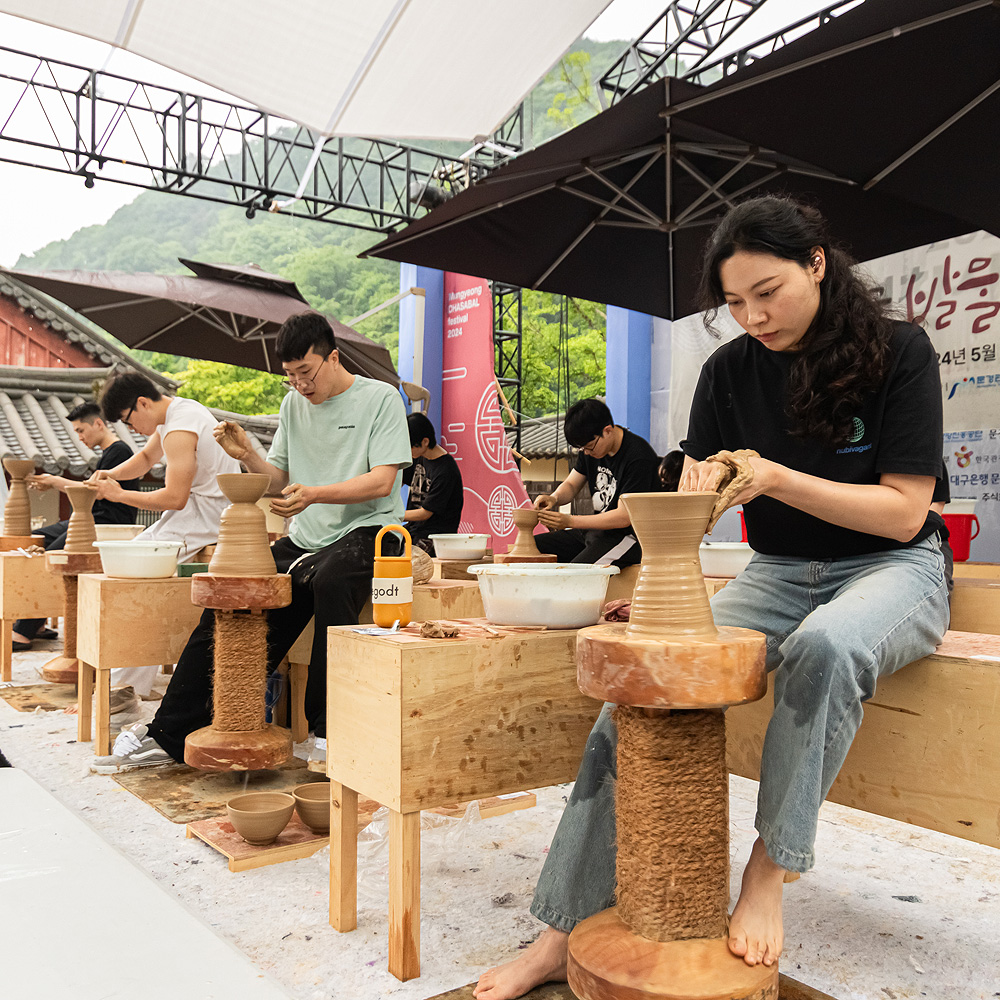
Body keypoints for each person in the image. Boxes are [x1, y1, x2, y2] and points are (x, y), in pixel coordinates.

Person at [473, 195, 950, 1000]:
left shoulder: (899, 351)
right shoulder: (729, 371)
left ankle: (770, 869)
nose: (753, 316)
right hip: (776, 571)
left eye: (768, 292)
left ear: (817, 265)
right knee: (638, 684)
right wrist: (688, 503)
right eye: (734, 303)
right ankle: (558, 930)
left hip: (892, 569)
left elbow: (905, 510)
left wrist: (773, 476)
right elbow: (685, 500)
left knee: (827, 646)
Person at [91, 312, 412, 773]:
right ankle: (168, 733)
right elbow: (279, 481)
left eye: (306, 373)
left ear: (333, 357)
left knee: (333, 581)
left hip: (367, 530)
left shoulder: (379, 398)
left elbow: (383, 482)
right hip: (305, 534)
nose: (300, 385)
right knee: (234, 590)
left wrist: (316, 493)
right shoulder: (292, 406)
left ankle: (327, 729)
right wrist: (249, 456)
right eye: (290, 376)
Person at [12, 402, 140, 651]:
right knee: (34, 539)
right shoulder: (109, 453)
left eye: (81, 430)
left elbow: (93, 492)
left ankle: (24, 631)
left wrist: (54, 480)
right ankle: (37, 621)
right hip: (86, 519)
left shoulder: (120, 451)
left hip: (106, 523)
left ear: (99, 424)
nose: (79, 437)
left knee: (57, 557)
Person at [91, 372, 240, 561]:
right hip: (198, 510)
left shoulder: (180, 428)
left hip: (211, 514)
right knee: (125, 556)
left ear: (143, 403)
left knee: (130, 561)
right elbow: (146, 458)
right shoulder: (178, 410)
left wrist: (118, 495)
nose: (130, 428)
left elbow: (175, 498)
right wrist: (109, 474)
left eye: (127, 421)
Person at [532, 399, 659, 567]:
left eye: (589, 447)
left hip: (630, 538)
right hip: (596, 533)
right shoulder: (590, 450)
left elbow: (623, 517)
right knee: (532, 549)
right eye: (582, 449)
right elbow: (571, 484)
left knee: (576, 574)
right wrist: (553, 498)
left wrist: (569, 521)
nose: (586, 453)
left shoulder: (638, 457)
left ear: (607, 431)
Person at [403, 411, 464, 554]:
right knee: (380, 545)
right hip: (414, 530)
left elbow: (425, 513)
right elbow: (396, 481)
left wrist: (394, 514)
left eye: (411, 446)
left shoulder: (446, 470)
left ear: (425, 442)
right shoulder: (418, 456)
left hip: (436, 537)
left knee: (409, 562)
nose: (408, 450)